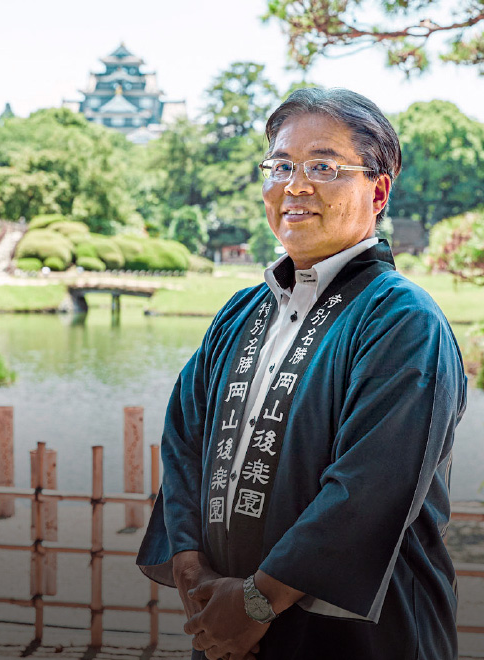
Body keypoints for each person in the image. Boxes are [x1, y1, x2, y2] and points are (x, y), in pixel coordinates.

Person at [136, 87, 467, 660]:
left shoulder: (401, 320)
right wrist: (196, 576)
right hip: (224, 625)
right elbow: (183, 441)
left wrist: (256, 602)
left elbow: (370, 491)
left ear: (378, 190)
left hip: (359, 637)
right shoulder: (242, 310)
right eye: (281, 165)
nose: (295, 185)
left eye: (323, 166)